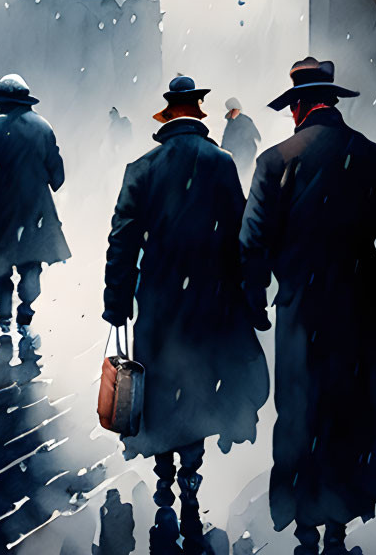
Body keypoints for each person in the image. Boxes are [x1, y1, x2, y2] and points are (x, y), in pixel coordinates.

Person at [240, 58, 376, 555]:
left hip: (300, 313)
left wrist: (256, 305)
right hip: (358, 313)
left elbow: (252, 245)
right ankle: (338, 528)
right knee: (352, 414)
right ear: (332, 103)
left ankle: (306, 524)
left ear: (297, 107)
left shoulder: (273, 162)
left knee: (300, 416)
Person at [104, 75, 269, 555]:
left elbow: (122, 241)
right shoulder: (219, 164)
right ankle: (192, 477)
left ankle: (163, 478)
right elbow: (242, 236)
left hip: (157, 300)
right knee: (195, 384)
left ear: (167, 118)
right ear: (198, 114)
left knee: (159, 383)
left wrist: (116, 304)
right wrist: (246, 295)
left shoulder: (143, 167)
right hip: (208, 299)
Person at [0, 74, 69, 351]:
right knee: (31, 263)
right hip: (35, 210)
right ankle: (26, 311)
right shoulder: (43, 127)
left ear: (0, 101)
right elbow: (58, 175)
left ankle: (5, 316)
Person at [221, 97, 262, 181]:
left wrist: (245, 141)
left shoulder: (245, 120)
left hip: (243, 158)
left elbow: (257, 137)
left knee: (240, 178)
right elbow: (226, 141)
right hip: (231, 157)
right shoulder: (230, 122)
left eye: (235, 109)